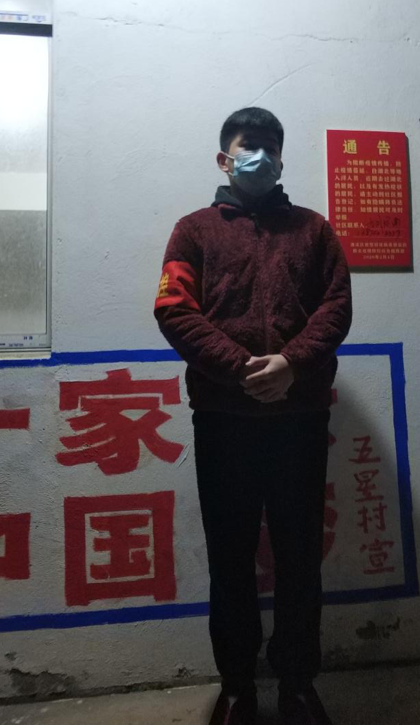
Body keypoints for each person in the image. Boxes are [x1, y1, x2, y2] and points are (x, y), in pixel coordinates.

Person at [154, 107, 352, 725]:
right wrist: (241, 368)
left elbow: (337, 307)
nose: (260, 155)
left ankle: (298, 684)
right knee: (230, 558)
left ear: (282, 158)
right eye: (248, 145)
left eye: (271, 146)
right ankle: (237, 687)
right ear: (224, 158)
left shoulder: (314, 230)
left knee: (300, 557)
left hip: (299, 419)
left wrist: (291, 364)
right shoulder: (193, 231)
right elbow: (174, 309)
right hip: (224, 420)